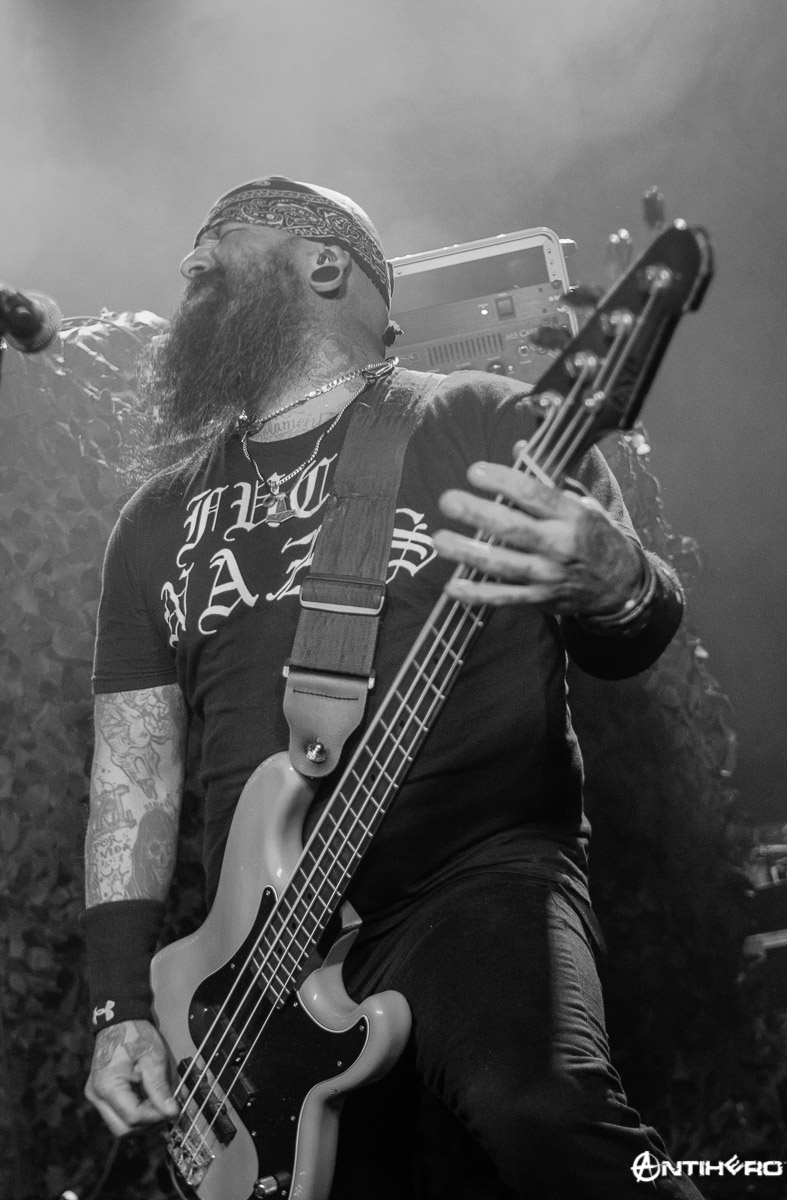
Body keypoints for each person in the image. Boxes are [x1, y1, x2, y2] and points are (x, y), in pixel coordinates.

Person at [82, 176, 704, 1199]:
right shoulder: (154, 520)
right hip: (255, 966)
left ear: (324, 262)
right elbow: (131, 777)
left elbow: (626, 643)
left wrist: (620, 580)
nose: (188, 263)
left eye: (218, 241)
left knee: (542, 1109)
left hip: (473, 876)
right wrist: (120, 1007)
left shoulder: (481, 418)